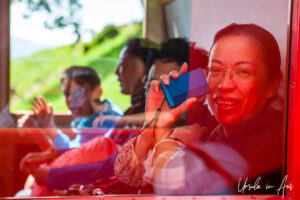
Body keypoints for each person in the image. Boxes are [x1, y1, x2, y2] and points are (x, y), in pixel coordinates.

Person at [114, 23, 283, 195]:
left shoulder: (273, 135)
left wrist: (175, 143)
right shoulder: (214, 128)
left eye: (243, 72)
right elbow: (128, 174)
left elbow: (183, 185)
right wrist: (153, 127)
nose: (224, 85)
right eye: (216, 70)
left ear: (272, 85)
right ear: (204, 78)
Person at [63, 38, 210, 196]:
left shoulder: (202, 138)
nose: (160, 97)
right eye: (153, 87)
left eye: (173, 88)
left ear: (199, 86)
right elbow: (129, 178)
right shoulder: (156, 131)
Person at [18, 38, 157, 197]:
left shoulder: (111, 120)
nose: (116, 72)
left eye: (123, 64)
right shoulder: (127, 115)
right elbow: (82, 154)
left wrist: (53, 175)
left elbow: (107, 163)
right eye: (67, 95)